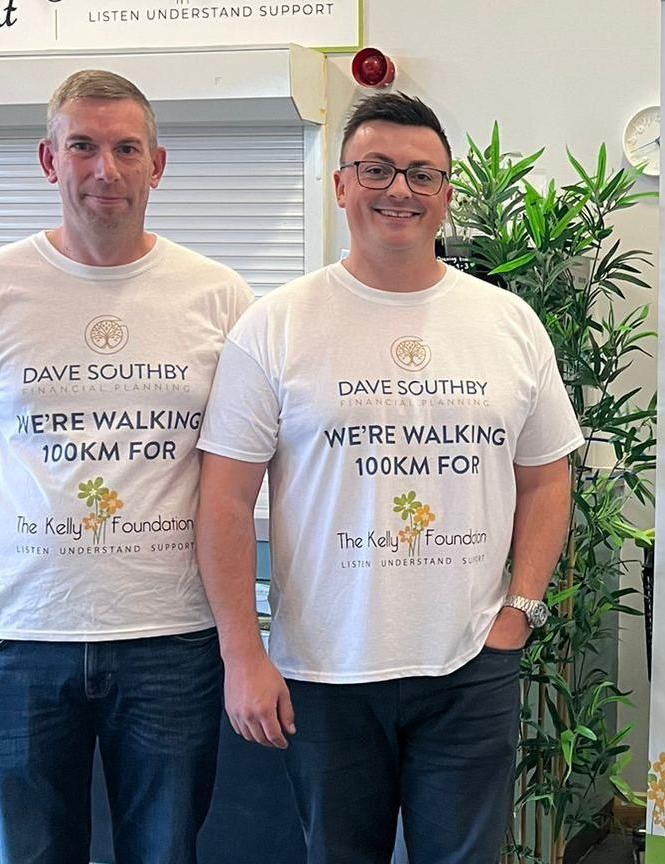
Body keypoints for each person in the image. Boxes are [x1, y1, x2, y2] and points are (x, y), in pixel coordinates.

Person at [194, 91, 582, 864]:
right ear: (341, 184)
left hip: (470, 664)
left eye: (420, 174)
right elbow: (225, 498)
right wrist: (243, 654)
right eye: (377, 169)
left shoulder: (506, 323)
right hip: (328, 672)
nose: (399, 190)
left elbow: (547, 477)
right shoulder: (275, 325)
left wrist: (522, 611)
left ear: (446, 193)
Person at [0, 70, 252, 863]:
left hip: (169, 634)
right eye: (84, 147)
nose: (106, 170)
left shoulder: (219, 296)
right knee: (33, 853)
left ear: (156, 165)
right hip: (21, 633)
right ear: (48, 160)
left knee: (165, 851)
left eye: (127, 149)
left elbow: (231, 463)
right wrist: (45, 544)